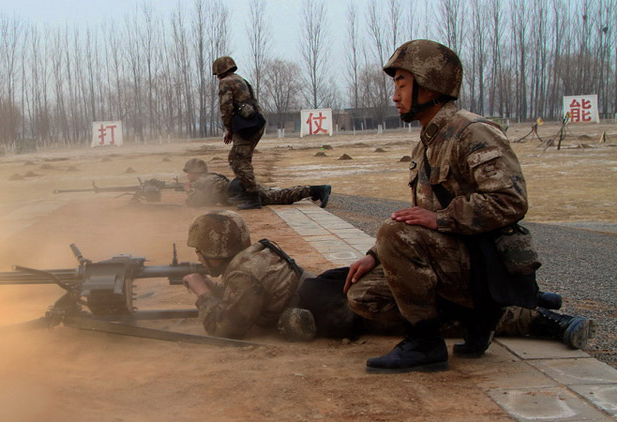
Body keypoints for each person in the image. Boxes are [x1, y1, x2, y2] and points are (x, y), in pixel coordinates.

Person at [343, 39, 594, 374]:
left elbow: (510, 201)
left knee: (393, 232)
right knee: (363, 296)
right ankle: (483, 317)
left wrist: (442, 219)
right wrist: (374, 255)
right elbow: (418, 215)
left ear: (429, 85)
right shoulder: (428, 143)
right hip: (457, 256)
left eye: (401, 84)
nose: (394, 96)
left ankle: (425, 343)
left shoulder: (473, 132)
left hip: (485, 258)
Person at [182, 210, 591, 348]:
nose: (198, 258)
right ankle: (534, 299)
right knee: (429, 291)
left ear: (214, 251)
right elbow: (251, 298)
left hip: (337, 310)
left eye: (201, 252)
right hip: (323, 287)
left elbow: (229, 327)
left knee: (441, 318)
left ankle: (541, 321)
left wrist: (201, 293)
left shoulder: (241, 276)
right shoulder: (256, 254)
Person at [213, 56, 265, 210]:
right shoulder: (241, 80)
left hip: (245, 126)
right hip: (255, 123)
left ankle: (252, 197)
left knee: (240, 162)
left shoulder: (226, 82)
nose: (217, 77)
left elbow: (226, 108)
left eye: (216, 74)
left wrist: (229, 129)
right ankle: (245, 193)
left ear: (220, 71)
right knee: (236, 158)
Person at [181, 158, 332, 209]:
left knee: (280, 196)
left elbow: (201, 201)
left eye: (188, 172)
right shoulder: (209, 178)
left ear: (195, 172)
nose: (187, 175)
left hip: (243, 194)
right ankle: (314, 191)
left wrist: (188, 191)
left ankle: (319, 190)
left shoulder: (204, 181)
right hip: (241, 190)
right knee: (279, 194)